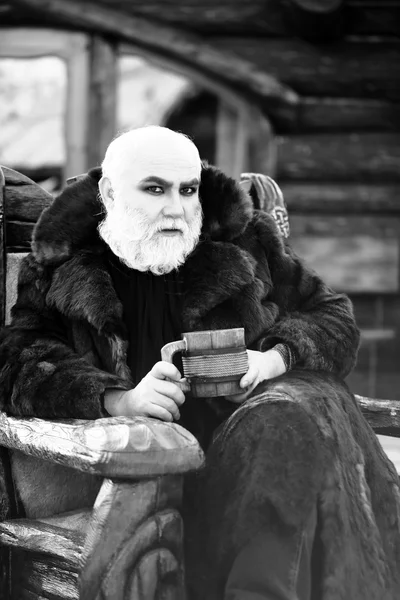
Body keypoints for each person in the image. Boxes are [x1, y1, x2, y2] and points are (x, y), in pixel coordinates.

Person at [0, 126, 399, 599]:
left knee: (291, 409)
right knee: (296, 419)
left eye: (188, 190)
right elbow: (18, 361)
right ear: (109, 192)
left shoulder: (246, 241)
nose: (177, 207)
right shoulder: (61, 261)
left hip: (266, 447)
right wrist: (120, 398)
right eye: (154, 189)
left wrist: (272, 359)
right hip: (152, 475)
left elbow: (332, 318)